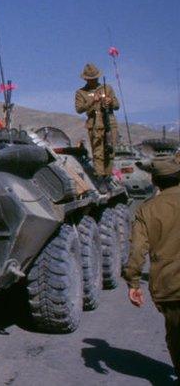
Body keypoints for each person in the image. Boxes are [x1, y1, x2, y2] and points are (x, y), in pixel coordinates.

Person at [124, 155, 180, 378]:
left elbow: (138, 250)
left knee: (176, 337)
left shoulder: (147, 210)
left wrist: (133, 282)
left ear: (155, 182)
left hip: (169, 285)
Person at [74, 63, 120, 178]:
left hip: (109, 122)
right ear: (85, 79)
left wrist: (110, 101)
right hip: (94, 125)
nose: (93, 81)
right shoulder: (81, 92)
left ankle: (108, 175)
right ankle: (100, 177)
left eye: (95, 78)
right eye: (90, 79)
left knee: (110, 151)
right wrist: (92, 101)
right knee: (98, 152)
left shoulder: (107, 88)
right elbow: (79, 109)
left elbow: (117, 105)